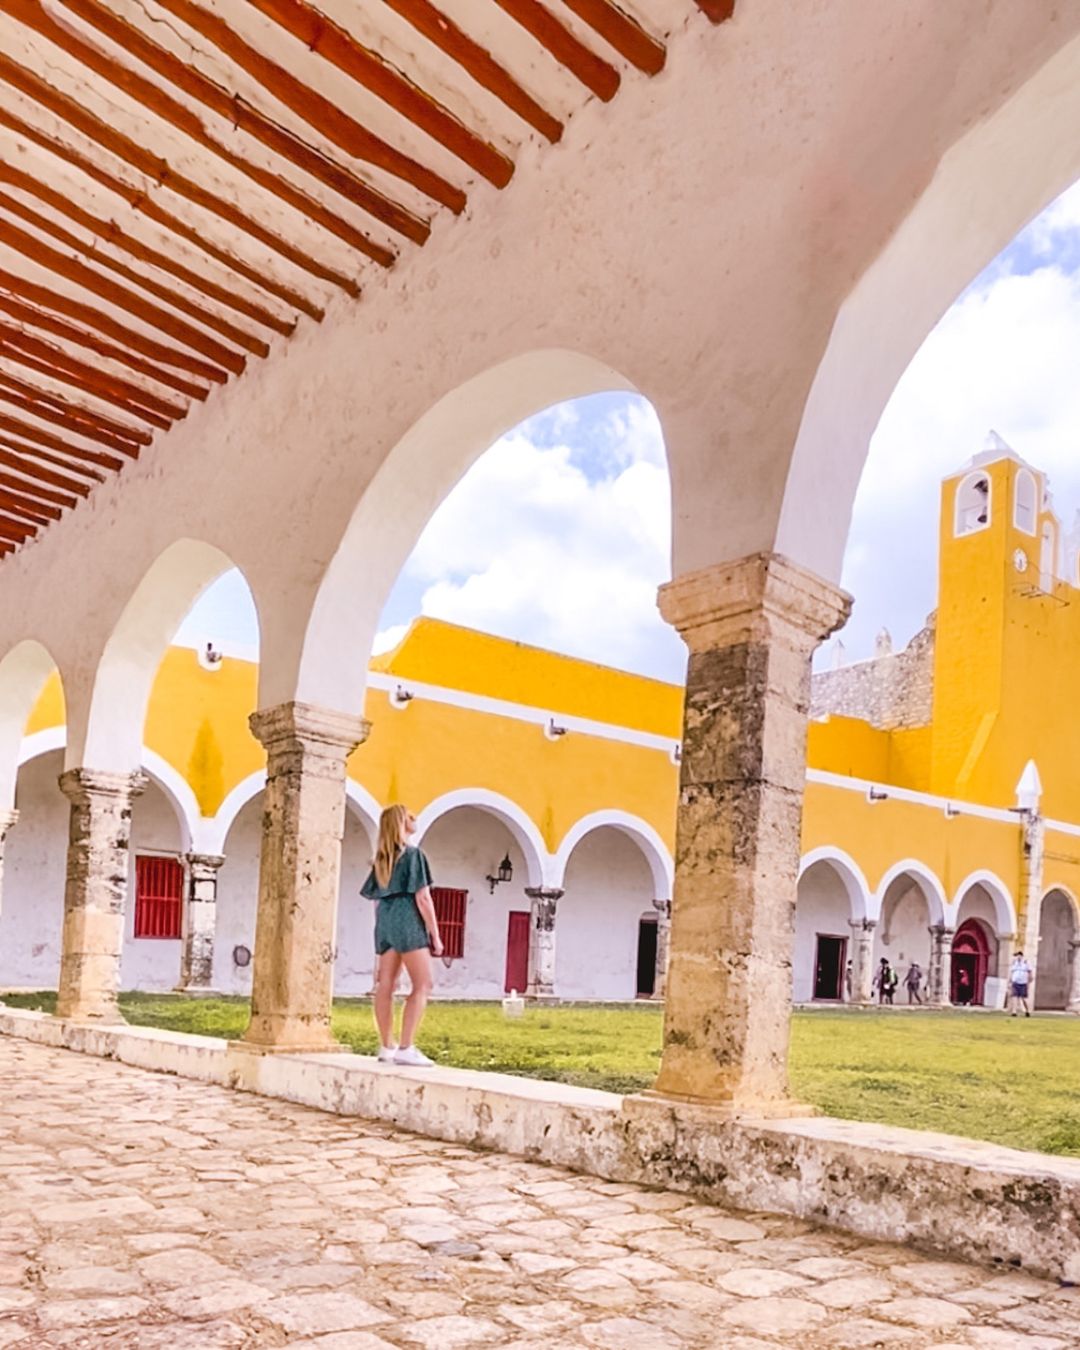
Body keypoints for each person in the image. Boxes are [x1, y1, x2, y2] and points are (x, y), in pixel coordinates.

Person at [361, 804, 443, 1066]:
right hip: (408, 919)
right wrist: (436, 935)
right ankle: (406, 1047)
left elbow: (375, 901)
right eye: (409, 815)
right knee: (423, 984)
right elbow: (423, 898)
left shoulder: (381, 861)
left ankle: (387, 1045)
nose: (414, 817)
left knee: (386, 984)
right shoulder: (413, 855)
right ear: (400, 823)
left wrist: (382, 930)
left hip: (385, 920)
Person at [1009, 950, 1033, 1018]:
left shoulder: (1026, 963)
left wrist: (1030, 979)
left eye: (1018, 955)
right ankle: (1014, 1011)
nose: (1017, 957)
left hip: (1023, 982)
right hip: (1015, 982)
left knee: (1024, 998)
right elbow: (1012, 972)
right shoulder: (1014, 963)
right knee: (1014, 997)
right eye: (1016, 956)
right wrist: (1010, 981)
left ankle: (1027, 1011)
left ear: (1021, 956)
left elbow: (1030, 971)